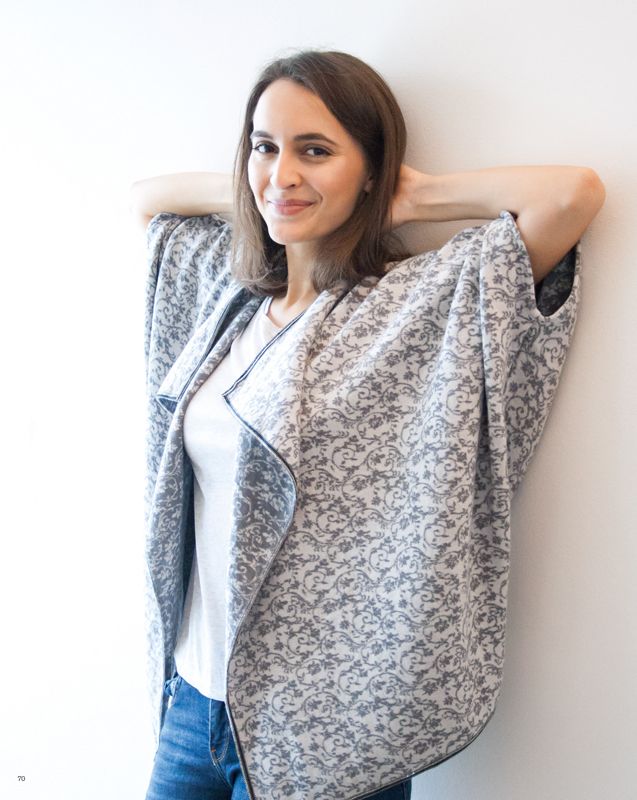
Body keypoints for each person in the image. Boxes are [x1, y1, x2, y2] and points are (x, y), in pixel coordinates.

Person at [131, 50, 604, 800]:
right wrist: (263, 190)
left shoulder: (411, 305)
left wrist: (411, 198)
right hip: (192, 701)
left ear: (372, 170)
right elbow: (148, 201)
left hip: (326, 728)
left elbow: (570, 196)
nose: (283, 173)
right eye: (264, 145)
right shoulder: (226, 293)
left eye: (315, 150)